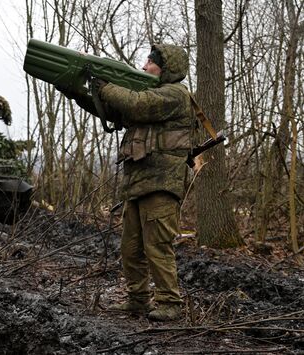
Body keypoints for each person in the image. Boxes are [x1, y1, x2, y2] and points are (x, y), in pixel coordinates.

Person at [57, 44, 194, 321]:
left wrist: (105, 85)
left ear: (166, 69)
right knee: (130, 248)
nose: (144, 66)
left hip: (162, 183)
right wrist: (75, 91)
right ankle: (138, 299)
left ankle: (170, 303)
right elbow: (113, 110)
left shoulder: (175, 95)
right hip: (139, 183)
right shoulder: (149, 95)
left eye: (151, 62)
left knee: (157, 246)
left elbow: (135, 104)